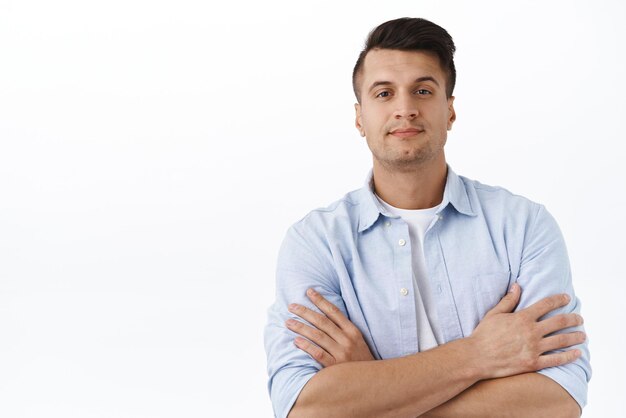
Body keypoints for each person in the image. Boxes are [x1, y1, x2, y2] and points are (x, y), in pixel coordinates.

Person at [264, 17, 591, 418]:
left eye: (423, 90)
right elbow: (306, 409)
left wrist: (373, 389)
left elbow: (557, 399)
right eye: (384, 93)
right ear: (359, 117)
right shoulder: (316, 242)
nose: (405, 109)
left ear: (449, 111)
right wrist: (478, 354)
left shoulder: (523, 226)